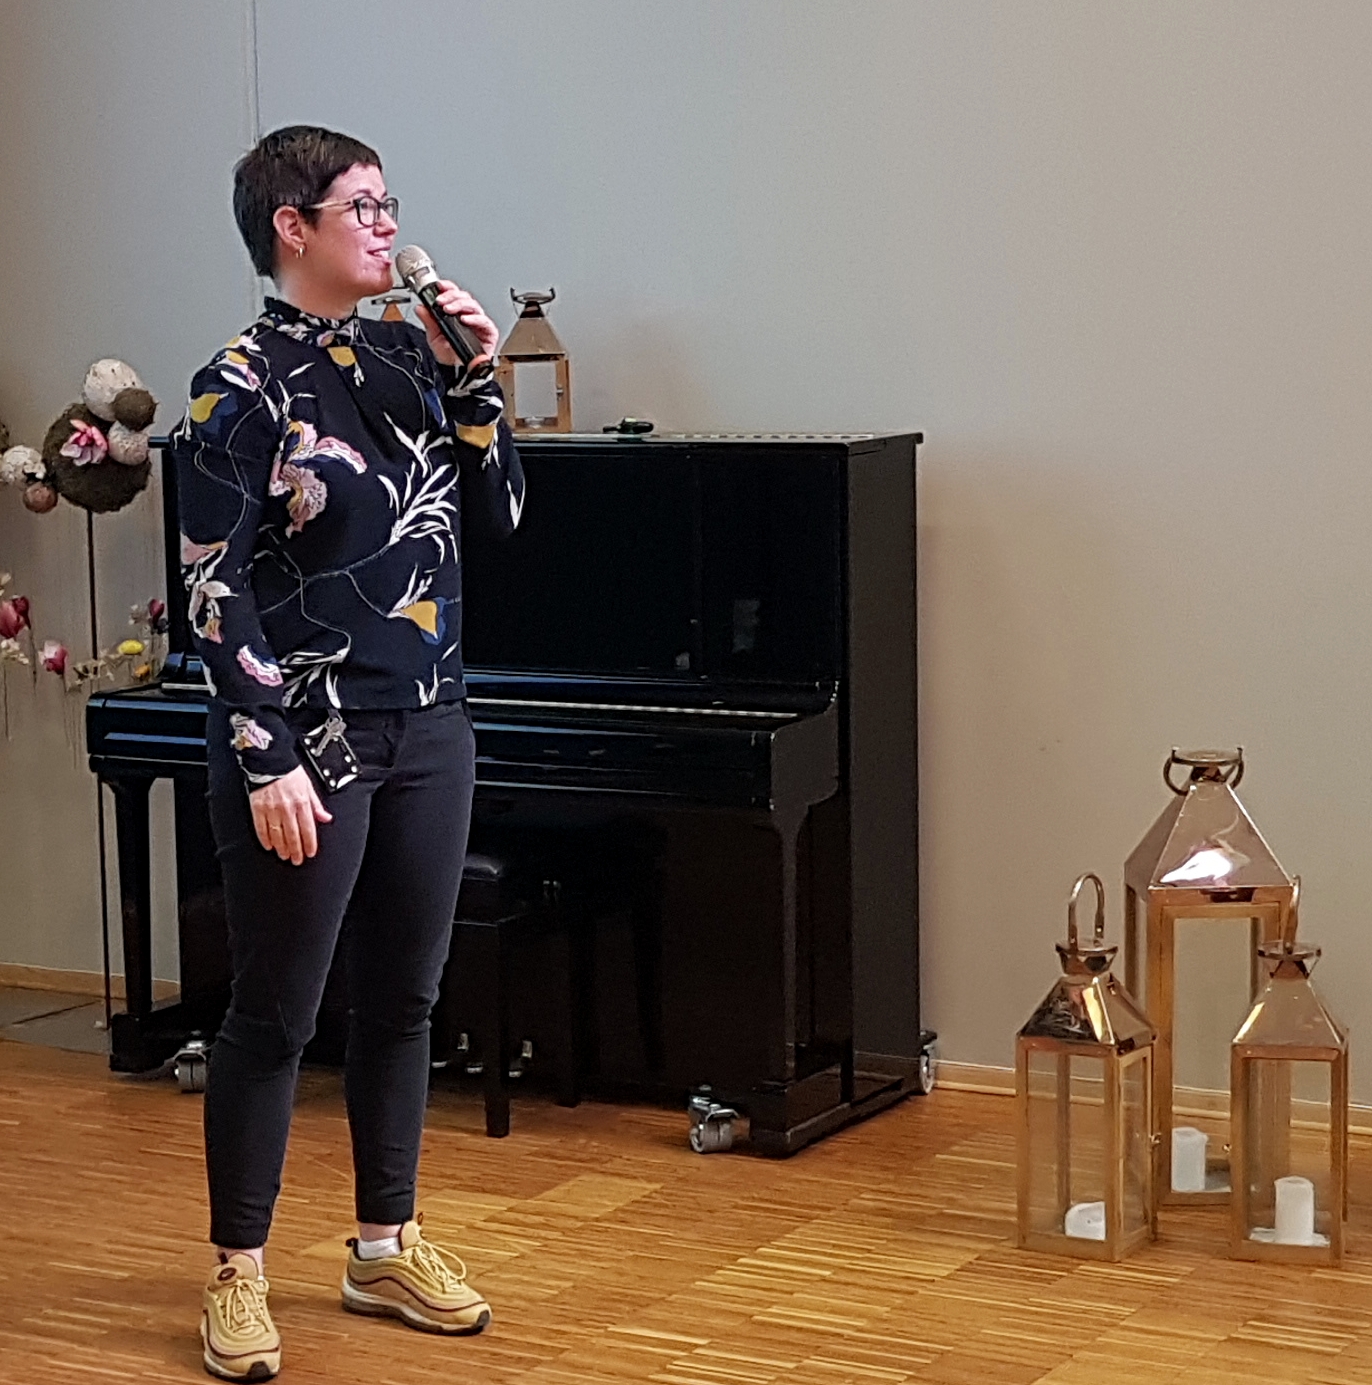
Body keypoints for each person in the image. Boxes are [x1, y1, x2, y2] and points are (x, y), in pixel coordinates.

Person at [171, 125, 525, 1382]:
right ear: (292, 224)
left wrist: (477, 378)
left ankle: (384, 1243)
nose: (387, 226)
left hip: (430, 721)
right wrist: (263, 752)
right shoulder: (237, 383)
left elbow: (502, 513)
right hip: (306, 738)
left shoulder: (408, 357)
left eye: (387, 203)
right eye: (361, 206)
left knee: (406, 1000)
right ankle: (238, 1270)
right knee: (276, 1010)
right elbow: (213, 589)